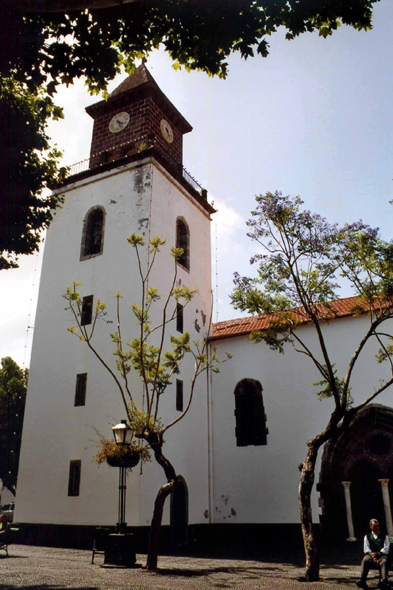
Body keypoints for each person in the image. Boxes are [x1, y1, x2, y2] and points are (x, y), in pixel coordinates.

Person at [357, 519, 390, 589]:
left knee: (384, 561)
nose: (377, 528)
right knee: (365, 559)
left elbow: (386, 548)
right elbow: (366, 548)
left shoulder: (384, 536)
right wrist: (373, 557)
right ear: (370, 527)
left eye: (378, 526)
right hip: (371, 555)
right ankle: (362, 581)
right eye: (375, 526)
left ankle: (384, 581)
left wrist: (378, 554)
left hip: (381, 555)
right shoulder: (367, 537)